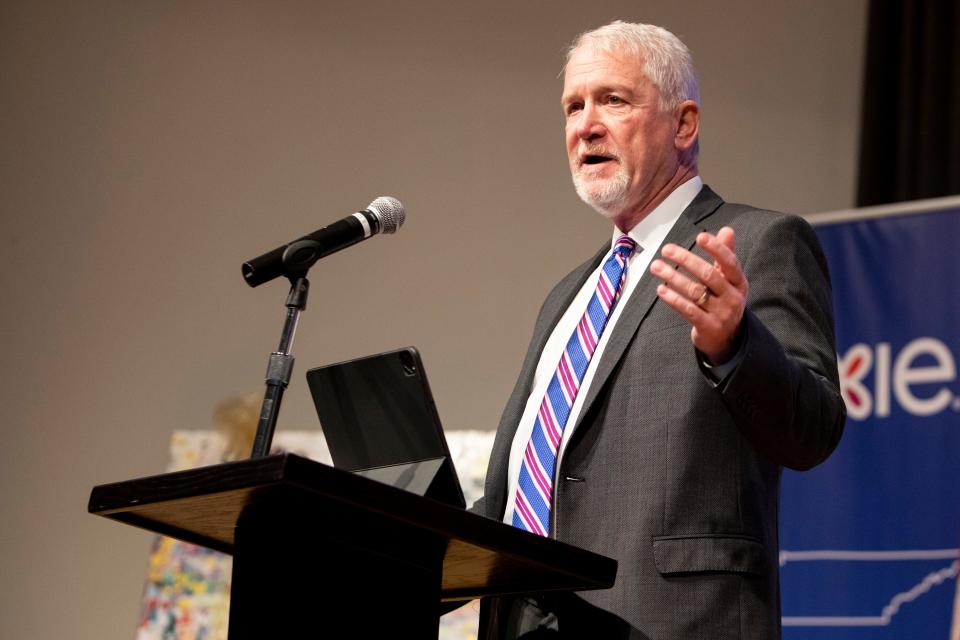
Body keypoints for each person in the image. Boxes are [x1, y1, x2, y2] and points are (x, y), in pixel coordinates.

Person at [471, 21, 846, 639]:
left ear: (684, 124)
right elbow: (524, 487)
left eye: (613, 100)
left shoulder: (758, 242)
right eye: (573, 106)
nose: (585, 125)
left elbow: (814, 431)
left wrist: (735, 346)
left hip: (672, 622)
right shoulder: (569, 295)